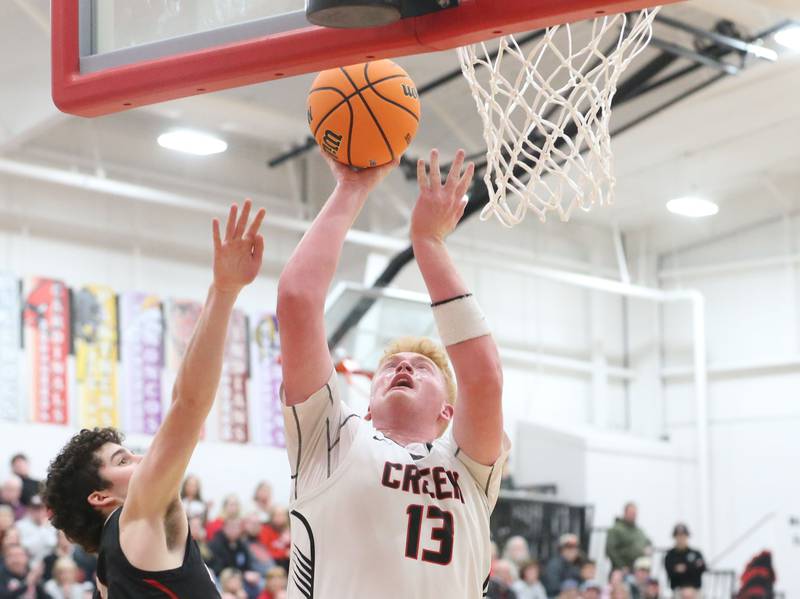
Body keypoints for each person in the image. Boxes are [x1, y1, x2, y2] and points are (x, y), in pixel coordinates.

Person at [277, 148, 507, 598]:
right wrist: (352, 187)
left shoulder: (468, 467)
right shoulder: (333, 439)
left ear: (448, 410)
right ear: (364, 405)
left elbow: (485, 377)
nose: (402, 366)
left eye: (422, 368)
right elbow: (297, 300)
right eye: (389, 367)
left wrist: (429, 243)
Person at [42, 200, 266, 599]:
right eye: (123, 461)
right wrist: (225, 290)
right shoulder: (138, 513)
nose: (143, 459)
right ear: (101, 496)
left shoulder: (106, 577)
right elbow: (188, 403)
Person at [605, 503, 651, 572]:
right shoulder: (616, 529)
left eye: (635, 513)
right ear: (625, 513)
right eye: (631, 513)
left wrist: (648, 548)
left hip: (637, 571)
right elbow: (610, 550)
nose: (633, 515)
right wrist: (621, 566)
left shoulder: (639, 531)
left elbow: (648, 542)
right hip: (621, 571)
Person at [664, 524, 705, 594]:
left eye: (683, 535)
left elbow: (702, 568)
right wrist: (692, 566)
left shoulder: (696, 553)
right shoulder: (670, 555)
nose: (681, 538)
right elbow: (670, 572)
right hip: (678, 590)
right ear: (675, 537)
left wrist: (684, 568)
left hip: (695, 590)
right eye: (678, 536)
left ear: (687, 536)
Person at [16, 495, 57, 564]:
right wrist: (43, 529)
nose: (39, 511)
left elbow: (52, 543)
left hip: (49, 562)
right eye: (35, 508)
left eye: (41, 508)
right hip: (28, 562)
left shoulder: (53, 525)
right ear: (29, 509)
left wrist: (43, 527)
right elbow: (27, 548)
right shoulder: (20, 525)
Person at [543, 534, 583, 598]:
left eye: (575, 547)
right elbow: (553, 586)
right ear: (561, 549)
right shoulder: (554, 564)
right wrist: (569, 590)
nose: (573, 550)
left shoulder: (577, 564)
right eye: (569, 547)